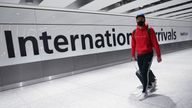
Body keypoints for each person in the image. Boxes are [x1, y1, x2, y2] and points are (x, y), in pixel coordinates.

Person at [131, 13, 162, 101]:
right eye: (138, 19)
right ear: (136, 21)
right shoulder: (134, 32)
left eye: (141, 19)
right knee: (142, 71)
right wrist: (133, 55)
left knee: (144, 72)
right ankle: (152, 81)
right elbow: (133, 45)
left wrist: (158, 55)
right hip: (139, 55)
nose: (140, 21)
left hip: (148, 54)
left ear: (144, 20)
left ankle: (144, 92)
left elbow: (155, 43)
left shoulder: (149, 30)